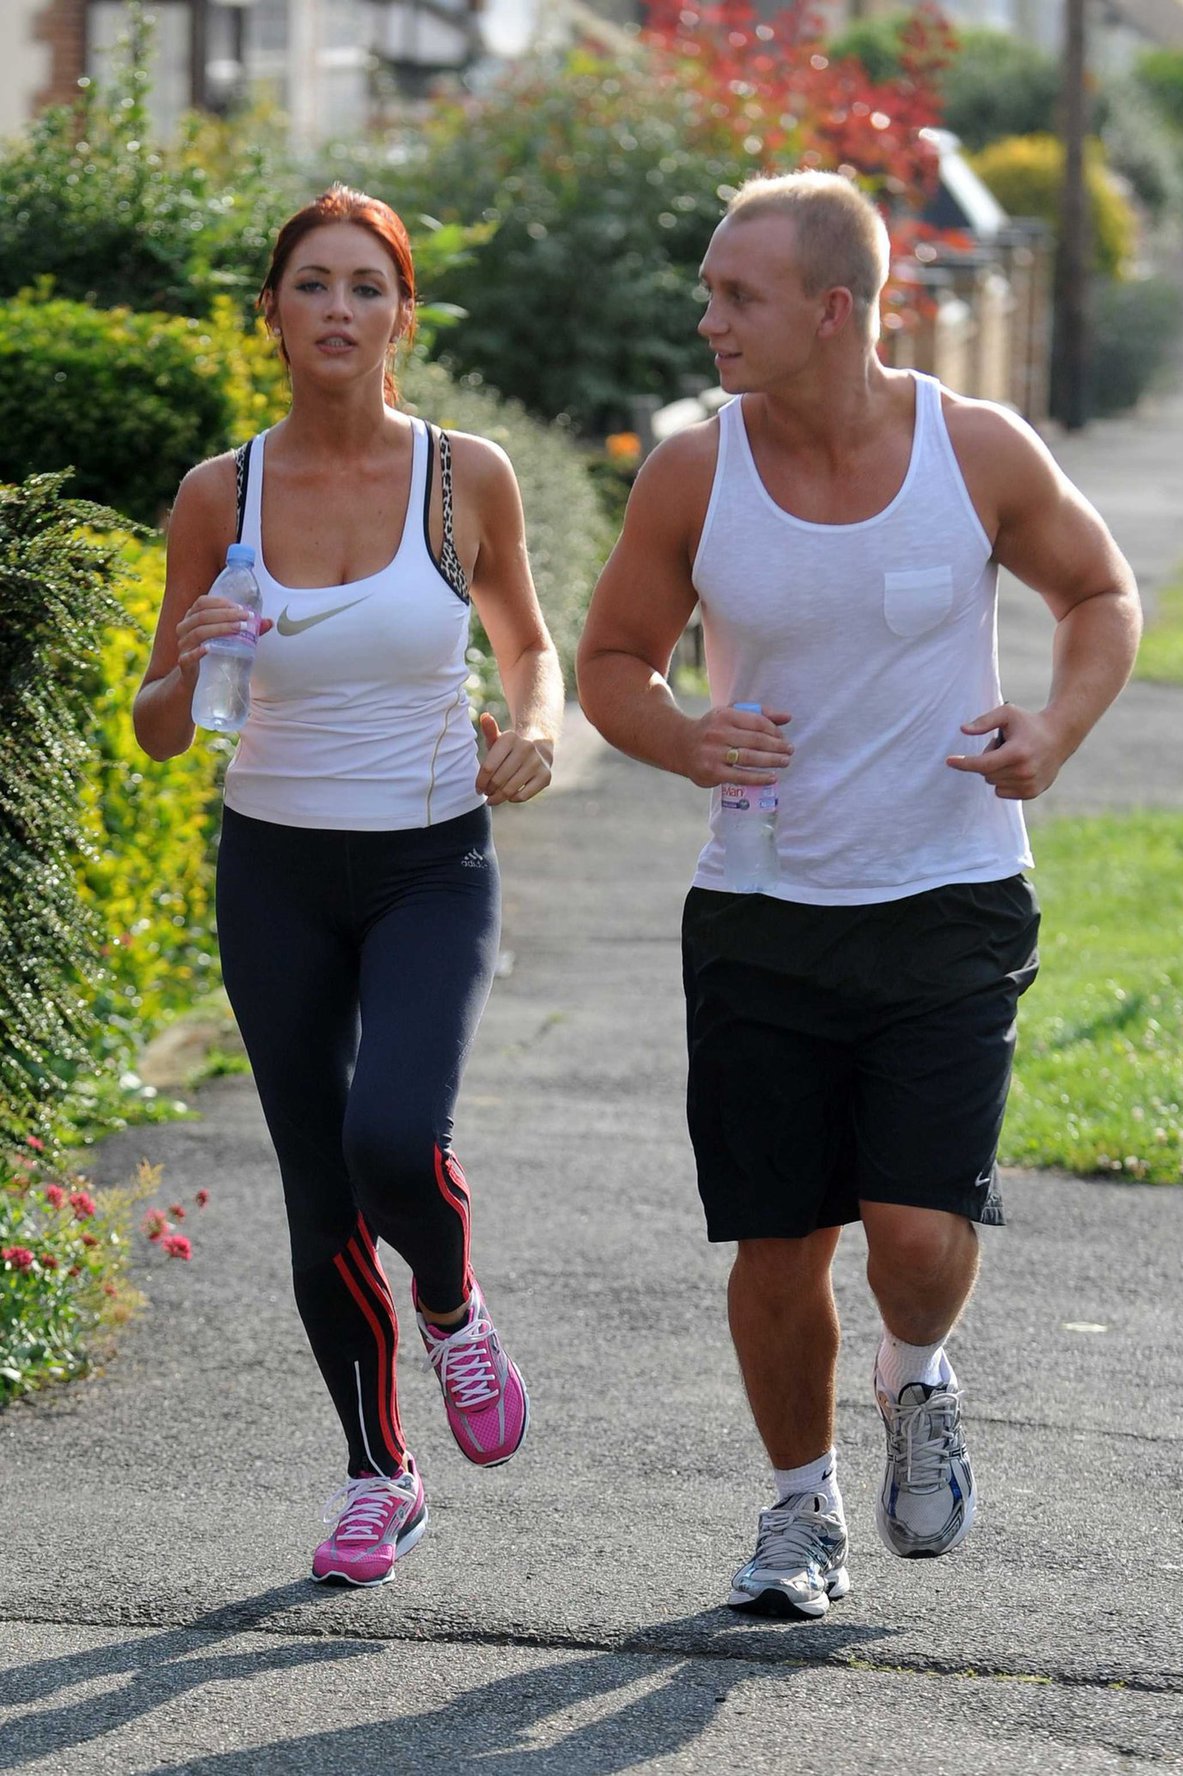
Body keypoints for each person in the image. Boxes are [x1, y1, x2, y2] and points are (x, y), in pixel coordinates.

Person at [576, 170, 1141, 1619]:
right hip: (763, 911)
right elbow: (614, 663)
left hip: (950, 897)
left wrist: (1055, 730)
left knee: (914, 1238)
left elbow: (1100, 593)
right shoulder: (694, 472)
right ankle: (795, 1512)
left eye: (736, 296)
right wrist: (686, 736)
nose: (709, 320)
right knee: (780, 1244)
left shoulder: (979, 451)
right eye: (710, 291)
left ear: (833, 311)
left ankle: (917, 1369)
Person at [134, 185, 563, 1588]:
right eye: (311, 284)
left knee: (394, 1136)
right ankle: (380, 1472)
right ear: (272, 314)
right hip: (274, 868)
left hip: (432, 858)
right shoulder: (220, 493)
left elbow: (529, 650)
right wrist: (187, 663)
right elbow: (154, 723)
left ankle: (451, 1301)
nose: (338, 309)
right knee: (321, 1193)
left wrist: (538, 731)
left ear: (402, 317)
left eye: (365, 287)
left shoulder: (463, 476)